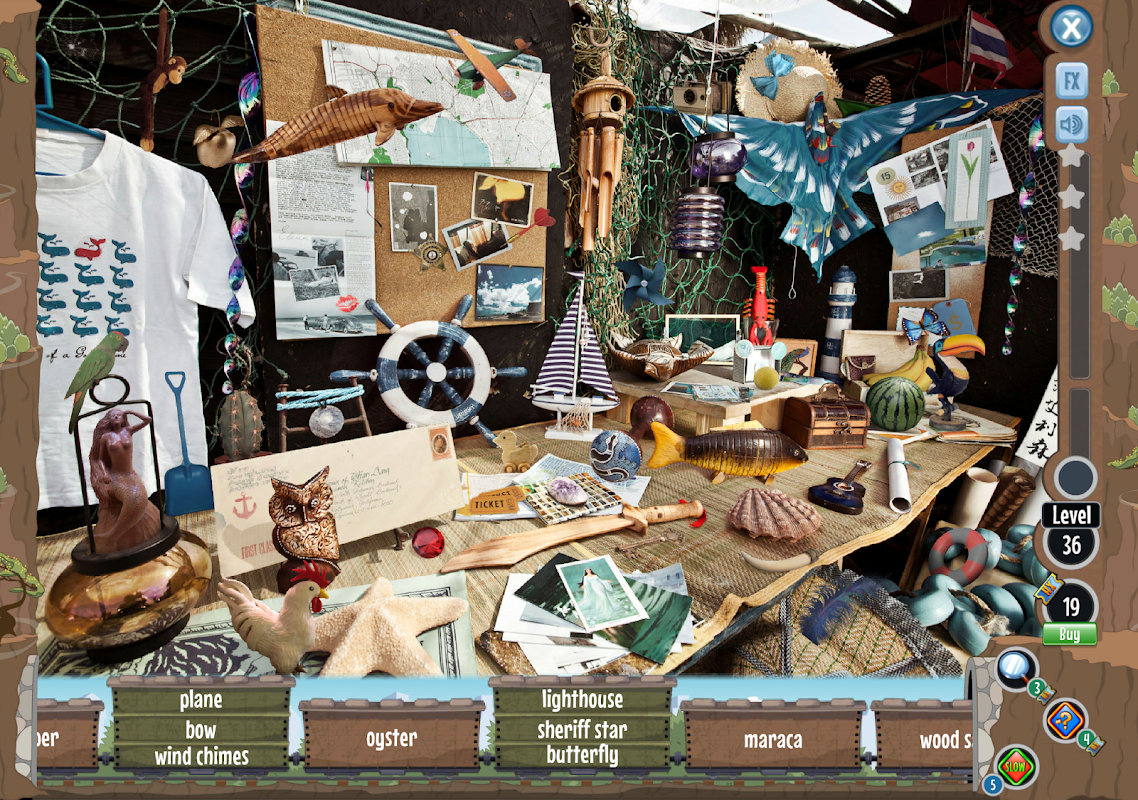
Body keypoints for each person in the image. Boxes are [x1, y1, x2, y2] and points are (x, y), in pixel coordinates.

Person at [89, 409, 161, 553]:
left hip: (130, 474)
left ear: (123, 418)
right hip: (116, 476)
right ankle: (111, 538)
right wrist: (104, 474)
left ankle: (111, 537)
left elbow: (148, 420)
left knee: (139, 497)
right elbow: (100, 459)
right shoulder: (106, 437)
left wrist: (130, 411)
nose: (116, 416)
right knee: (133, 498)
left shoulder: (128, 431)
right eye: (112, 415)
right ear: (109, 419)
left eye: (119, 414)